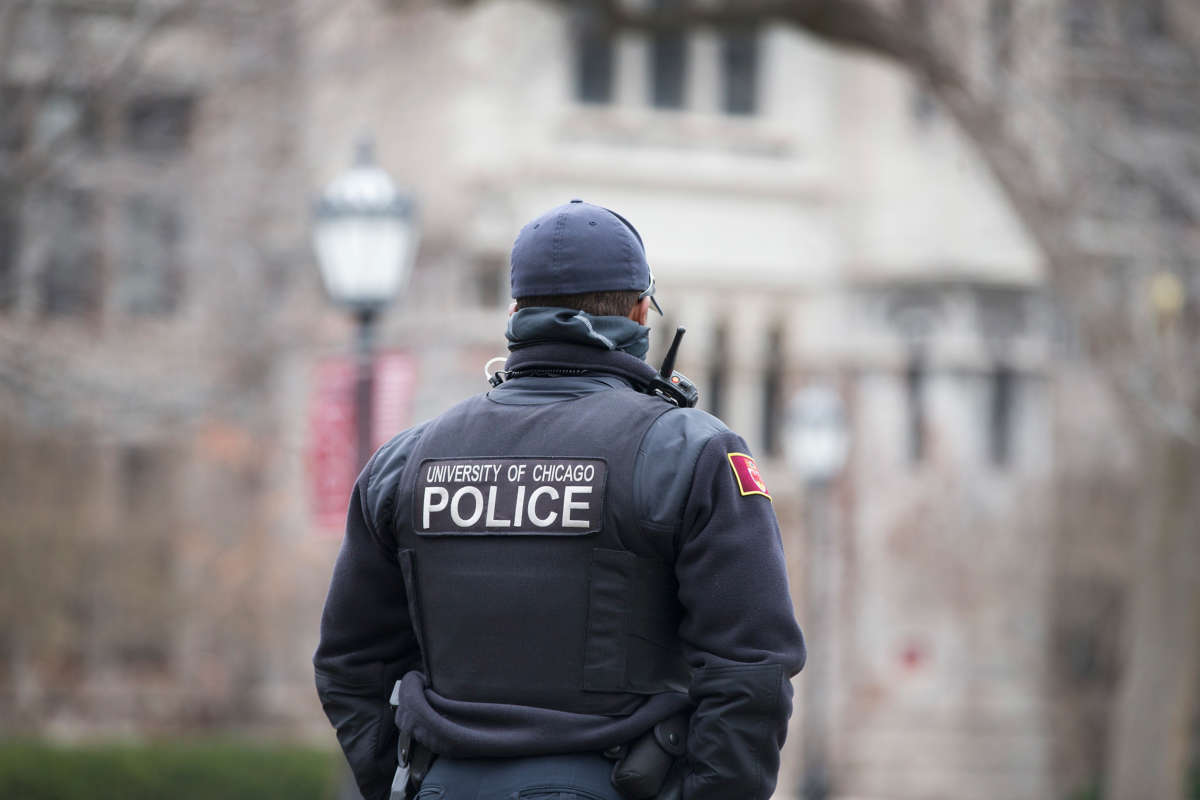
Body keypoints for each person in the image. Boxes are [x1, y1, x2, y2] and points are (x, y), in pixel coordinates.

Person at [314, 199, 806, 800]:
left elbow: (349, 665)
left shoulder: (405, 461)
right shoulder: (693, 452)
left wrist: (403, 782)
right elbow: (751, 671)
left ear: (517, 312)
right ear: (638, 312)